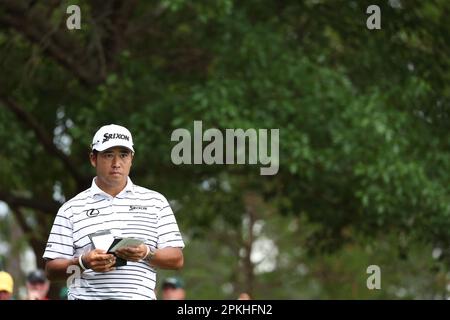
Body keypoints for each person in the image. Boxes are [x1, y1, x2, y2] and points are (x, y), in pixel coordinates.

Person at [43, 124, 185, 300]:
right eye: (108, 155)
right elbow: (51, 270)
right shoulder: (71, 208)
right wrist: (83, 262)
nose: (116, 163)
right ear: (93, 159)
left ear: (132, 158)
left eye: (123, 155)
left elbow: (177, 259)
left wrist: (146, 253)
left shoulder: (156, 202)